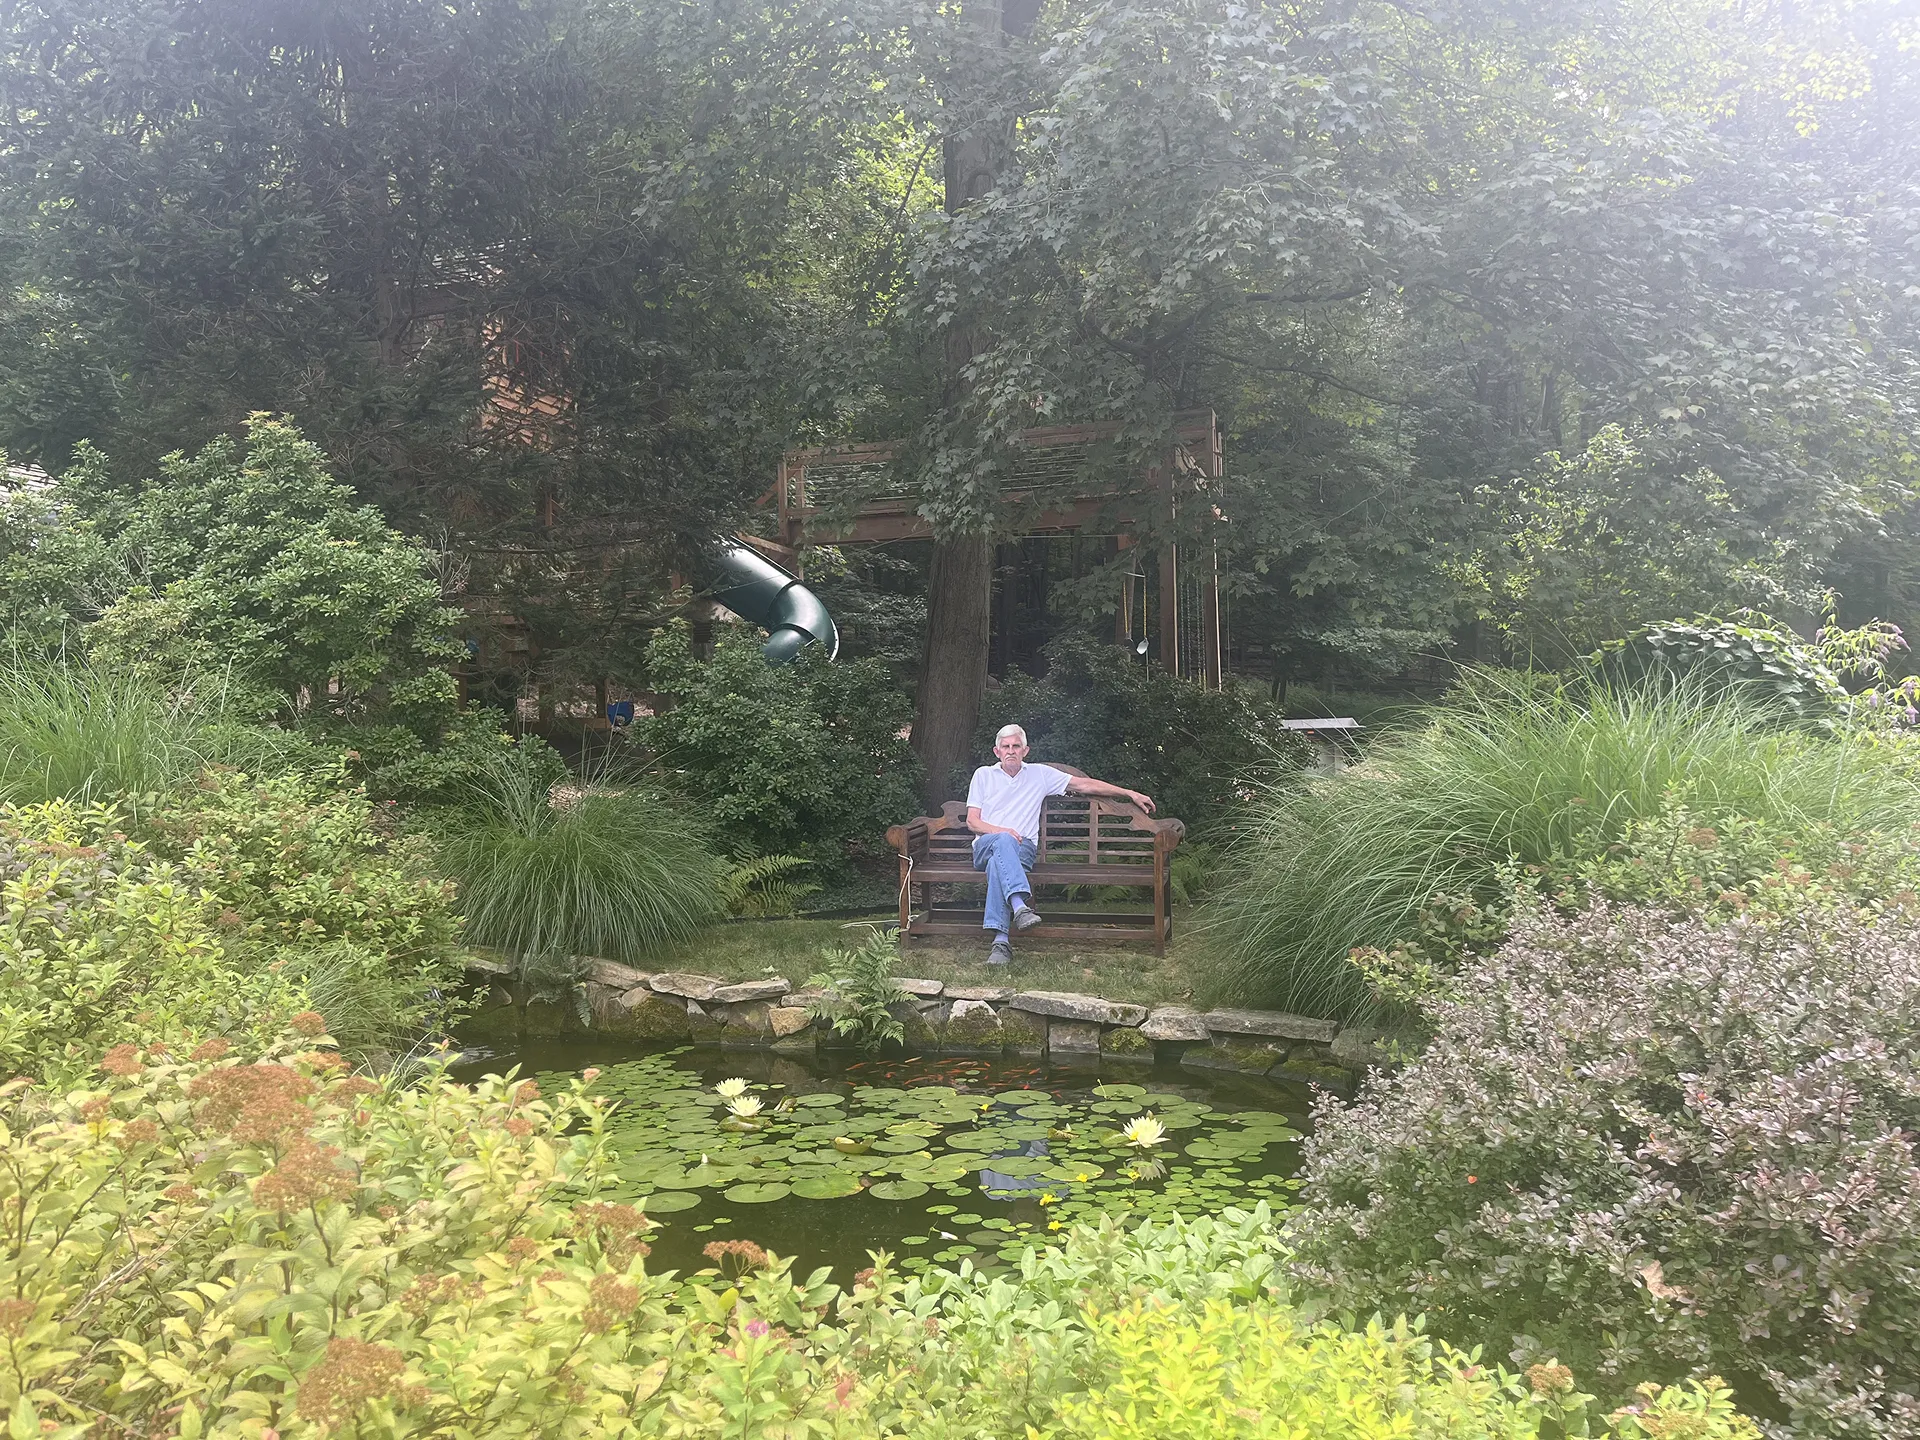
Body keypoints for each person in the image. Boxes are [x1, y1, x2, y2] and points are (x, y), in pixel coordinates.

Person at [966, 724, 1155, 966]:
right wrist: (1003, 832)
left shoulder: (1040, 775)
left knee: (997, 866)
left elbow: (1084, 785)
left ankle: (1001, 943)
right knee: (1001, 844)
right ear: (997, 751)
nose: (1011, 751)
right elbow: (973, 822)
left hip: (1022, 849)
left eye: (1016, 746)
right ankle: (1020, 907)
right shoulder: (983, 775)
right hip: (985, 845)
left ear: (1025, 750)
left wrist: (1129, 793)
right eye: (1006, 747)